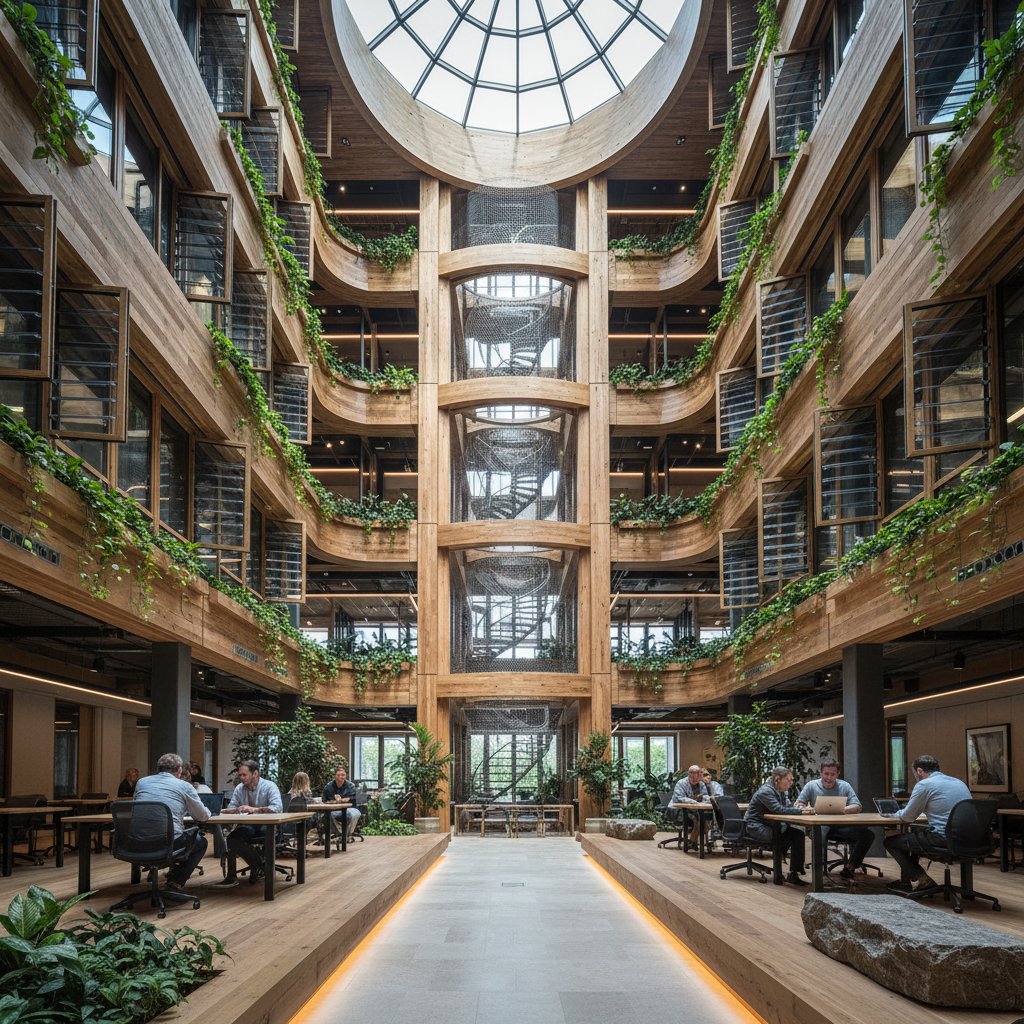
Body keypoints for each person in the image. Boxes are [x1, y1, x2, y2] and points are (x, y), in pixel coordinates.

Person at [883, 754, 971, 891]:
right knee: (914, 837)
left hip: (944, 839)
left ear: (919, 771)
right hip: (969, 839)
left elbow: (908, 817)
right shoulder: (959, 783)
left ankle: (922, 878)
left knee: (890, 842)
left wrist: (896, 813)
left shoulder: (924, 784)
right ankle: (966, 891)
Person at [131, 753, 210, 888]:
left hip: (138, 842)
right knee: (200, 842)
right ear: (180, 771)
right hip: (167, 842)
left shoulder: (141, 782)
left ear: (158, 769)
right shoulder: (184, 786)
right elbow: (202, 816)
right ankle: (176, 881)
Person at [795, 756, 873, 879]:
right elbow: (798, 804)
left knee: (868, 835)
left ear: (838, 774)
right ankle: (818, 871)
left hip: (841, 828)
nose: (829, 777)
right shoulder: (811, 786)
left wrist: (840, 809)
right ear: (820, 772)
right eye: (826, 774)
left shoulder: (845, 786)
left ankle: (850, 867)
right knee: (821, 831)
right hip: (818, 826)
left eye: (833, 774)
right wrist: (806, 809)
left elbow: (857, 806)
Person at [216, 759, 283, 887]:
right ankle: (247, 870)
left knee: (264, 836)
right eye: (240, 775)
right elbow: (233, 807)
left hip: (267, 825)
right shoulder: (239, 788)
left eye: (244, 775)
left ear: (255, 773)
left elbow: (277, 807)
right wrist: (225, 810)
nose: (241, 778)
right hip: (248, 824)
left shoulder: (269, 786)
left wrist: (255, 810)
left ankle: (258, 866)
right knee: (232, 839)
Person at [744, 766, 808, 886]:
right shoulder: (766, 791)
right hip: (756, 827)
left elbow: (788, 807)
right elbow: (778, 809)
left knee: (798, 835)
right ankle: (778, 875)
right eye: (788, 780)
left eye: (792, 780)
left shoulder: (782, 791)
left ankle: (794, 873)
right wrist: (801, 812)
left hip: (772, 826)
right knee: (781, 837)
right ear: (777, 779)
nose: (791, 783)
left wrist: (800, 808)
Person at [670, 765, 710, 845]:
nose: (695, 780)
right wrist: (695, 802)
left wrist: (705, 798)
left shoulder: (701, 784)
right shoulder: (681, 783)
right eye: (692, 778)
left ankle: (692, 841)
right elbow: (679, 798)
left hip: (694, 809)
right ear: (689, 774)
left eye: (697, 778)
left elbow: (705, 795)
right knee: (699, 819)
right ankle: (692, 842)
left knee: (706, 817)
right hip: (678, 810)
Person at [322, 767, 360, 839]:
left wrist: (341, 800)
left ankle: (345, 834)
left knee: (348, 815)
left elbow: (351, 798)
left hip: (349, 808)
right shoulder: (328, 787)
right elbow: (324, 800)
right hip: (334, 810)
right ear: (335, 776)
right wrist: (334, 801)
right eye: (338, 775)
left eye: (342, 775)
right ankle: (340, 834)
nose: (340, 777)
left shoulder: (351, 786)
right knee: (326, 816)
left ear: (345, 776)